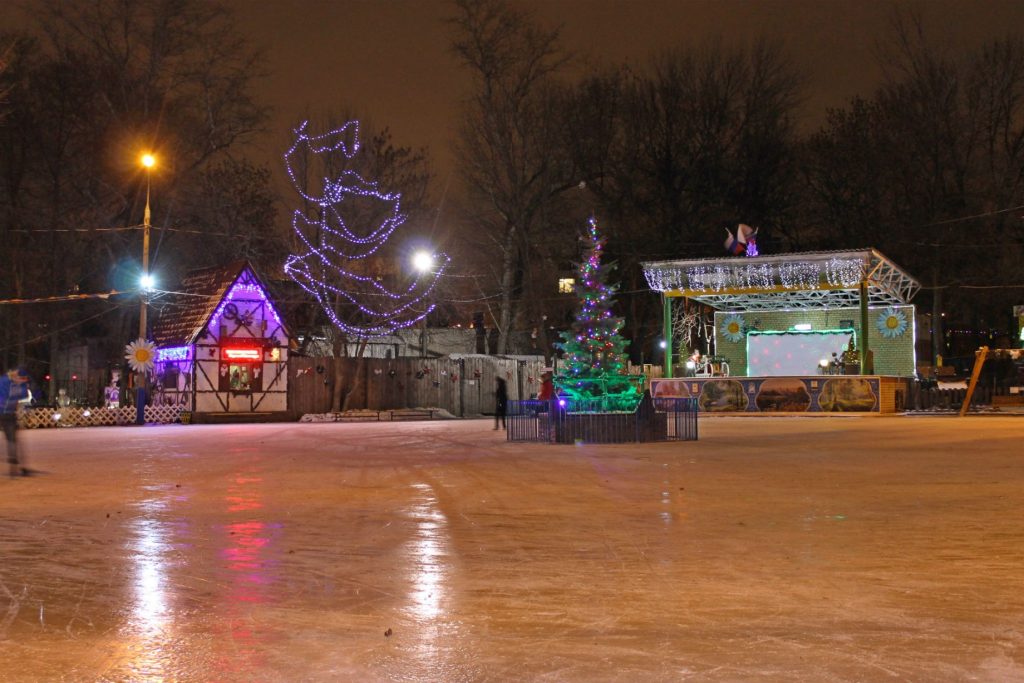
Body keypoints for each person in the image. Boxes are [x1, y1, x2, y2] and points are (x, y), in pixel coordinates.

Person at [1, 367, 31, 477]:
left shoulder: (18, 385)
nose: (22, 381)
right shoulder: (4, 382)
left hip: (9, 414)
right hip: (3, 413)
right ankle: (14, 463)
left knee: (13, 439)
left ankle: (16, 464)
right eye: (21, 378)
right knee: (12, 438)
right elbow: (8, 396)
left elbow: (24, 395)